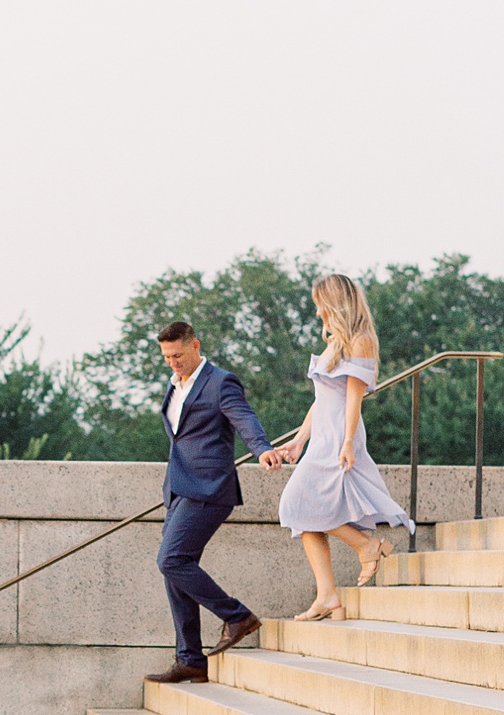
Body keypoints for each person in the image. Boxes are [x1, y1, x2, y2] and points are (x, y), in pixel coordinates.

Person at [260, 271, 413, 620]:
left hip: (340, 436)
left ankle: (367, 544)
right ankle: (327, 596)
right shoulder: (335, 343)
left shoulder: (360, 340)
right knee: (302, 515)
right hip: (322, 438)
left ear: (334, 303)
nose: (317, 314)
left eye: (320, 305)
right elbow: (321, 400)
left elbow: (353, 400)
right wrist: (298, 441)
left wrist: (347, 443)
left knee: (297, 504)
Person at [149, 318, 274, 684]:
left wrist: (262, 449)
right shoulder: (175, 385)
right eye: (167, 356)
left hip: (209, 486)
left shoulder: (220, 382)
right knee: (177, 571)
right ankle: (190, 659)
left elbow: (244, 418)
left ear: (195, 346)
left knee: (171, 560)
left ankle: (237, 616)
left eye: (178, 354)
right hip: (177, 489)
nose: (173, 362)